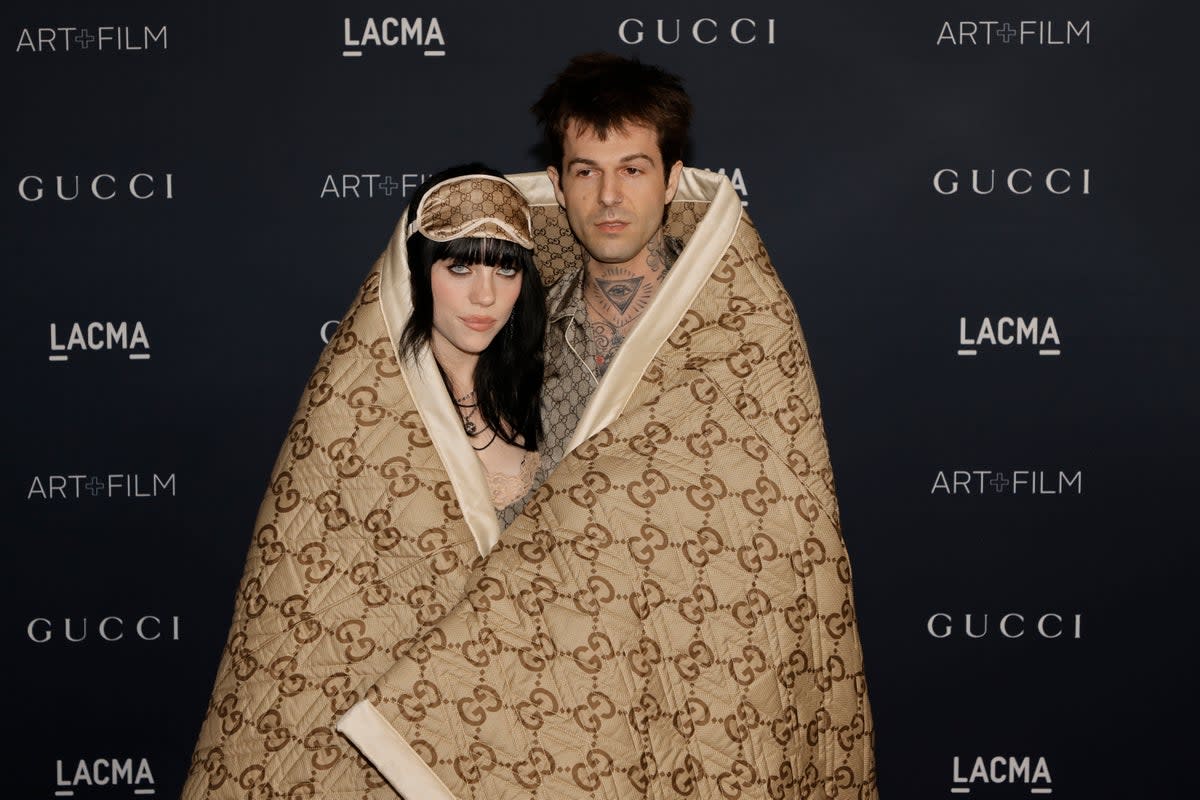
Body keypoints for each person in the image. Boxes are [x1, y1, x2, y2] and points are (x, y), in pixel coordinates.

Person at [338, 53, 879, 800]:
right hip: (551, 698)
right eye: (586, 172)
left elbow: (779, 538)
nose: (610, 195)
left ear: (671, 177)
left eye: (632, 168)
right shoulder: (517, 332)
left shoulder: (741, 333)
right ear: (557, 185)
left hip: (696, 674)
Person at [180, 165, 544, 799]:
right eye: (460, 266)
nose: (486, 295)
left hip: (516, 732)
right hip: (381, 744)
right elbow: (314, 610)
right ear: (417, 271)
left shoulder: (544, 403)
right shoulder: (355, 412)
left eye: (505, 268)